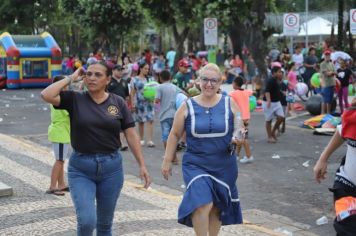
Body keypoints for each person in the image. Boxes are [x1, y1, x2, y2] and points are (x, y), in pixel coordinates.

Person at [41, 61, 151, 236]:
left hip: (111, 169)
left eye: (98, 75)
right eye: (89, 74)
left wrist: (142, 165)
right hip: (81, 168)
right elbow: (46, 94)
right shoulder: (74, 99)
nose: (92, 78)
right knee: (86, 221)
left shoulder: (118, 103)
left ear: (108, 80)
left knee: (104, 225)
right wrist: (70, 78)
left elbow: (131, 134)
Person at [161, 63, 243, 235]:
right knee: (202, 203)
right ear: (198, 81)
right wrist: (167, 160)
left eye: (214, 80)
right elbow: (175, 134)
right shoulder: (187, 105)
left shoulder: (230, 103)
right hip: (196, 164)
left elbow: (239, 127)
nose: (209, 84)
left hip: (224, 165)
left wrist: (238, 136)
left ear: (220, 83)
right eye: (205, 79)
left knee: (216, 208)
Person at [313, 98, 356, 235]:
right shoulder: (352, 114)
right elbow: (343, 130)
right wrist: (323, 159)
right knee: (346, 231)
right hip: (347, 184)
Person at [46, 75, 71, 196]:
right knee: (59, 161)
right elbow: (70, 113)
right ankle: (52, 186)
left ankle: (61, 184)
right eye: (65, 85)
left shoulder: (56, 98)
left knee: (61, 160)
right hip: (60, 133)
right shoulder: (61, 99)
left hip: (60, 133)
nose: (67, 87)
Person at [155, 70, 183, 164]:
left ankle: (169, 156)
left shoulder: (160, 87)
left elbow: (157, 100)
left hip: (164, 115)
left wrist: (155, 105)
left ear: (160, 78)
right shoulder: (175, 87)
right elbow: (183, 95)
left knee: (165, 137)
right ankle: (174, 157)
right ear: (170, 77)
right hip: (175, 115)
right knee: (173, 137)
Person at [130, 62, 156, 147]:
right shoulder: (134, 79)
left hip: (149, 103)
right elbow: (132, 93)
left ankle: (150, 140)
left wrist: (154, 100)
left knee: (150, 120)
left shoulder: (150, 79)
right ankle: (141, 139)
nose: (147, 70)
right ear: (140, 69)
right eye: (145, 68)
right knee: (140, 121)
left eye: (148, 69)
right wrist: (132, 103)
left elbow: (155, 90)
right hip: (139, 103)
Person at [229, 76, 254, 163]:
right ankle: (236, 155)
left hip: (240, 118)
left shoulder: (233, 93)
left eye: (233, 83)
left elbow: (225, 96)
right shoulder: (246, 92)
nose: (232, 84)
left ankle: (249, 156)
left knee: (243, 138)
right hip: (246, 118)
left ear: (235, 84)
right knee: (241, 136)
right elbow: (252, 92)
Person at [108, 64, 130, 151]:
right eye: (118, 70)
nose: (121, 71)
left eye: (121, 70)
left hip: (122, 106)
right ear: (113, 71)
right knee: (114, 125)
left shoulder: (124, 82)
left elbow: (127, 96)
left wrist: (129, 105)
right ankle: (116, 141)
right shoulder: (108, 81)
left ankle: (122, 143)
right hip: (111, 106)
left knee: (123, 125)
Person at [262, 66, 285, 143]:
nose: (280, 73)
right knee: (268, 120)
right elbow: (267, 91)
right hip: (269, 103)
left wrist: (282, 93)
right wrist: (268, 100)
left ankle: (272, 132)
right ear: (274, 73)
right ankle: (269, 137)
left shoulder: (277, 80)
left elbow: (276, 89)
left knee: (281, 117)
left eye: (281, 72)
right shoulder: (270, 80)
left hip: (277, 102)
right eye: (279, 72)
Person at [320, 50, 336, 114]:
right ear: (324, 56)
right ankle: (323, 113)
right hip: (326, 84)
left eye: (328, 55)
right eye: (326, 55)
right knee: (325, 100)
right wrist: (331, 72)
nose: (327, 56)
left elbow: (335, 72)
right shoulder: (322, 64)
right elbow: (327, 74)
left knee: (329, 100)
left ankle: (328, 113)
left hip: (332, 83)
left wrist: (331, 72)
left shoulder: (331, 63)